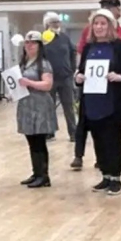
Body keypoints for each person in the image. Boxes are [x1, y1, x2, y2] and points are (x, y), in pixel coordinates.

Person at [75, 9, 121, 196]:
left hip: (113, 103)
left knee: (113, 141)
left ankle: (116, 178)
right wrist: (78, 77)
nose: (99, 27)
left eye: (103, 23)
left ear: (110, 26)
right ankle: (105, 175)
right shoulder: (88, 48)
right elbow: (81, 71)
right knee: (98, 141)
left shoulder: (120, 47)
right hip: (92, 102)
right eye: (96, 24)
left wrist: (120, 77)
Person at [17, 31, 57, 188]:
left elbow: (47, 85)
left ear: (40, 46)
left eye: (33, 43)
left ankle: (43, 175)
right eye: (27, 43)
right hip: (26, 105)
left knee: (39, 141)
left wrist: (29, 83)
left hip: (40, 105)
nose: (29, 45)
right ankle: (36, 172)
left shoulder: (44, 64)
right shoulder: (23, 63)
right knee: (31, 141)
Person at [42, 11, 76, 143]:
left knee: (69, 106)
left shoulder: (64, 37)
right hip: (49, 78)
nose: (57, 24)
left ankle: (73, 133)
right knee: (49, 107)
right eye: (53, 22)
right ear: (47, 24)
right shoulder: (43, 39)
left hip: (65, 77)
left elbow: (73, 52)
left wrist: (72, 68)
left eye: (58, 22)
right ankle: (50, 132)